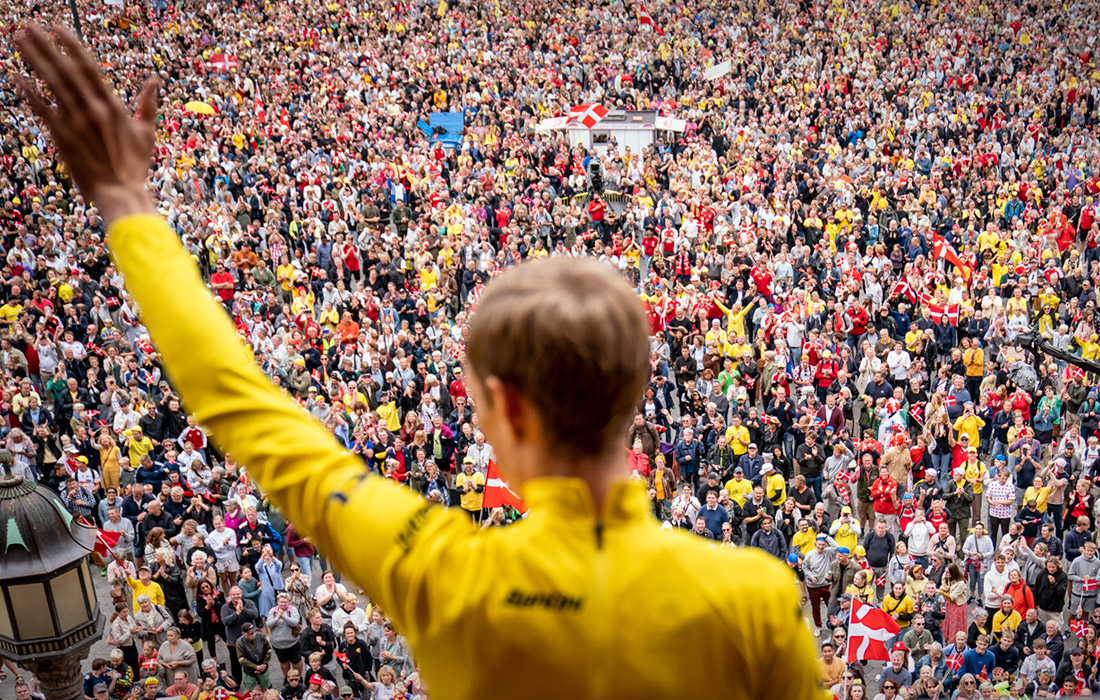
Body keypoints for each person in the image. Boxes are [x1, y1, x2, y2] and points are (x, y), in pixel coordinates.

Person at [235, 623, 272, 691]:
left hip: (263, 667)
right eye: (250, 633)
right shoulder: (239, 642)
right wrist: (256, 667)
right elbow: (241, 659)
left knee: (265, 688)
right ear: (243, 633)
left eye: (253, 632)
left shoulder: (261, 636)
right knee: (249, 690)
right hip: (249, 670)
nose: (253, 634)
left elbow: (268, 650)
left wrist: (264, 664)